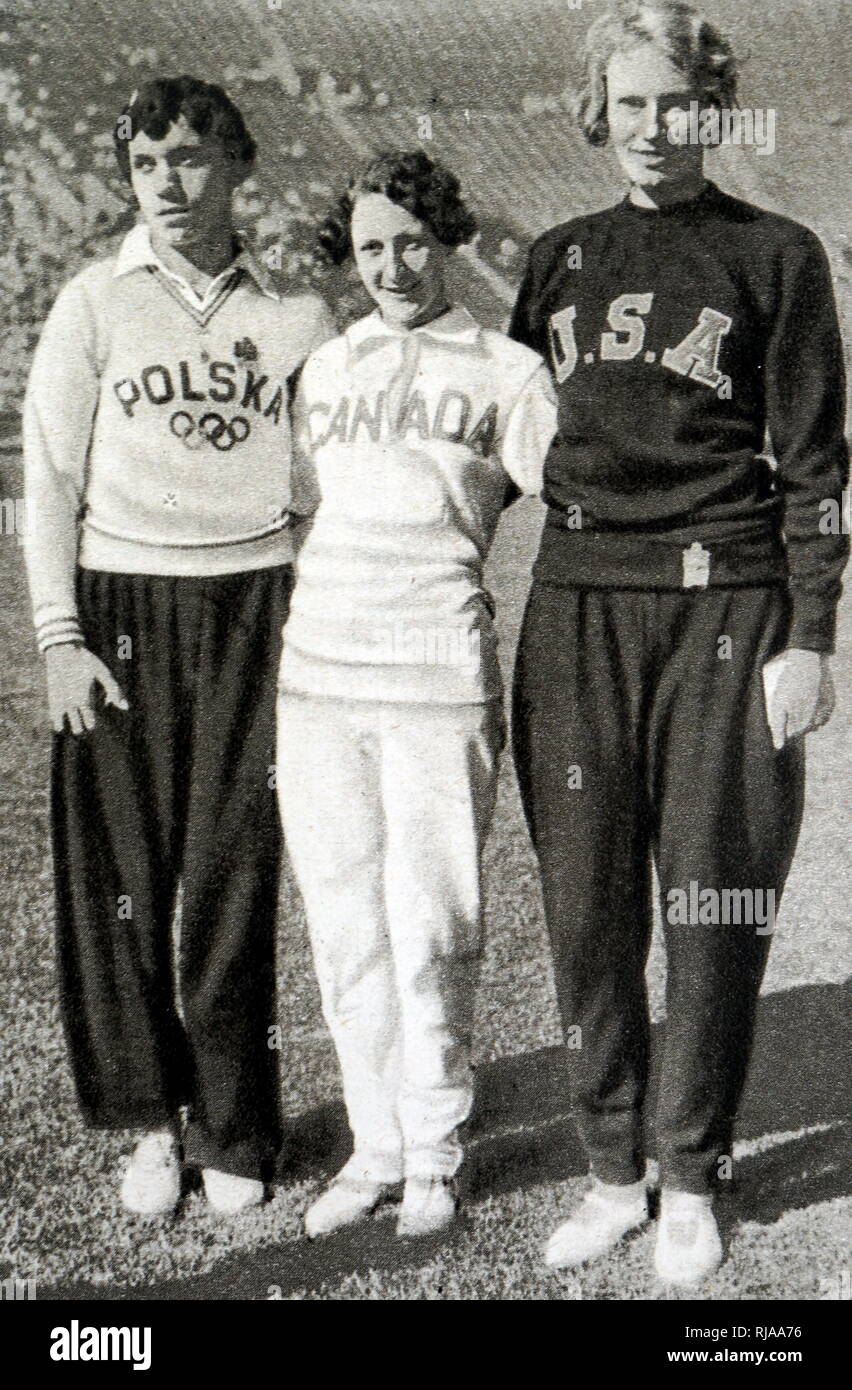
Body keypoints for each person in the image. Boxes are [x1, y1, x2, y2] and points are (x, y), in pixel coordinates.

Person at [509, 1, 848, 1285]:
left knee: (712, 899)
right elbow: (497, 448)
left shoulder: (779, 257)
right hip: (579, 603)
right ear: (601, 111)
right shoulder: (555, 261)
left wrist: (809, 636)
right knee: (587, 902)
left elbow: (816, 468)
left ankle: (694, 1171)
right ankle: (613, 1167)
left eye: (675, 104)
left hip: (725, 604)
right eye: (629, 104)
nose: (651, 129)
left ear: (711, 109)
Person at [23, 75, 334, 1218]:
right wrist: (60, 639)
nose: (169, 183)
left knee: (233, 872)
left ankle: (237, 1119)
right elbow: (48, 480)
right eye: (148, 164)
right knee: (117, 882)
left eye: (192, 159)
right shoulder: (92, 304)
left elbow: (320, 489)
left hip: (253, 609)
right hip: (119, 611)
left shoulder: (298, 316)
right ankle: (149, 1120)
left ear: (237, 166)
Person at [276, 150, 557, 1240]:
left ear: (443, 239)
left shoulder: (506, 369)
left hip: (439, 673)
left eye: (409, 240)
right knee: (345, 925)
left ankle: (435, 1150)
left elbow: (580, 498)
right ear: (347, 256)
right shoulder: (329, 368)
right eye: (369, 246)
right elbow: (299, 511)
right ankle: (376, 1143)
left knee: (431, 922)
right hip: (319, 678)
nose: (392, 263)